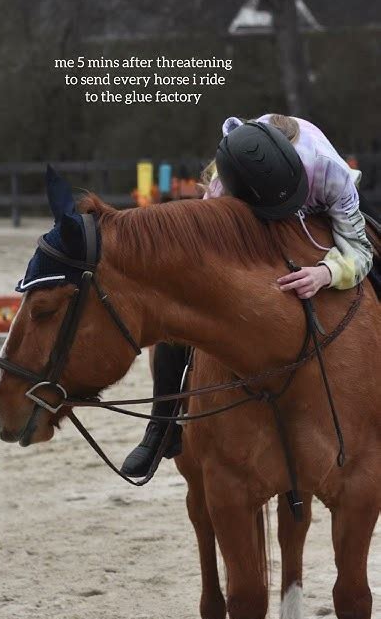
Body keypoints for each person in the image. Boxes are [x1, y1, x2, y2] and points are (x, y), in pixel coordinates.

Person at [121, 113, 374, 477]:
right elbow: (196, 255)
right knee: (183, 303)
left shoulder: (329, 172)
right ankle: (162, 424)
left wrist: (326, 272)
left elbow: (359, 251)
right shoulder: (225, 181)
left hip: (318, 206)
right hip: (247, 210)